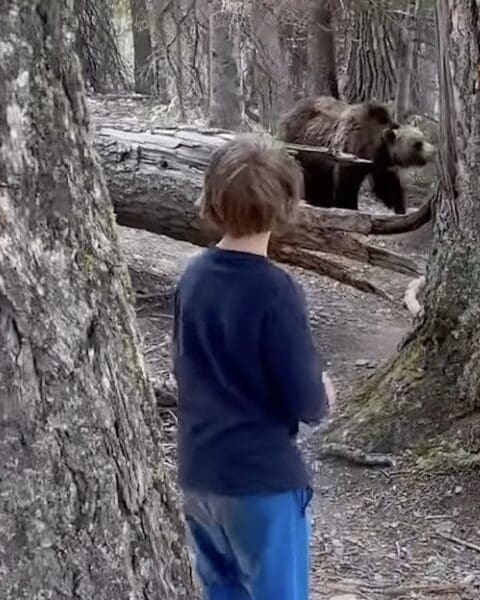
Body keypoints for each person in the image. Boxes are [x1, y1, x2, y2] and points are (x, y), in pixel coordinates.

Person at [171, 134, 335, 600]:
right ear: (286, 204)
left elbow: (186, 368)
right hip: (261, 481)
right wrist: (324, 393)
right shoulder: (276, 292)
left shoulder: (193, 277)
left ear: (211, 198)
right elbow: (305, 399)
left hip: (200, 475)